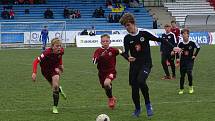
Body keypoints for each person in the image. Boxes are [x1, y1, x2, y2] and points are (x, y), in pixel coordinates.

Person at [119, 13, 178, 118]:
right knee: (134, 88)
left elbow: (161, 40)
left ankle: (148, 105)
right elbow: (125, 52)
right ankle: (137, 109)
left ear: (133, 23)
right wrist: (127, 57)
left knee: (141, 81)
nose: (126, 28)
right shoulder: (127, 38)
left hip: (146, 63)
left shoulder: (144, 33)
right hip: (134, 66)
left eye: (128, 25)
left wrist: (173, 47)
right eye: (125, 26)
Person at [32, 38, 67, 114]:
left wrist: (60, 65)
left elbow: (59, 57)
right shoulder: (46, 53)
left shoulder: (61, 51)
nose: (59, 47)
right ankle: (60, 90)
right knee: (54, 86)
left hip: (54, 69)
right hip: (45, 71)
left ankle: (55, 107)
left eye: (60, 46)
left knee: (55, 87)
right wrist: (34, 72)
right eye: (57, 46)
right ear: (52, 46)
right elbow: (36, 61)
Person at [92, 34, 123, 109]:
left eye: (107, 41)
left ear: (110, 41)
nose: (105, 42)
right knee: (106, 87)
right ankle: (111, 97)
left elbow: (121, 52)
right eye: (103, 41)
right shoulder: (98, 51)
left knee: (106, 83)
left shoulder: (113, 50)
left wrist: (129, 58)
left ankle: (111, 99)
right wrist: (100, 56)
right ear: (101, 42)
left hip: (111, 71)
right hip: (102, 73)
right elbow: (94, 62)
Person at [176, 29, 200, 95]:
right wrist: (178, 58)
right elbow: (177, 50)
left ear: (188, 34)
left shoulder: (192, 41)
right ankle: (181, 89)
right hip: (183, 60)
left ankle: (190, 87)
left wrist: (194, 55)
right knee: (182, 75)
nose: (184, 35)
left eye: (185, 33)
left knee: (189, 72)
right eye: (183, 34)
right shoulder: (180, 43)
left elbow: (198, 47)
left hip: (190, 60)